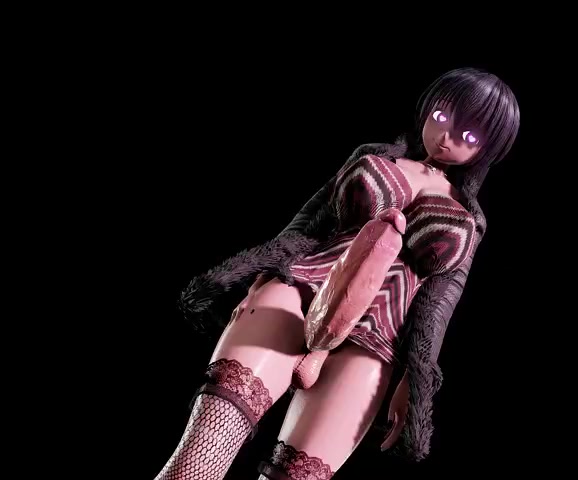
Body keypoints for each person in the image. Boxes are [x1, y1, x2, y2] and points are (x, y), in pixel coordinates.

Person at [155, 67, 521, 480]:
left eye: (468, 136)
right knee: (203, 450)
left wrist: (416, 379)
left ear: (489, 150)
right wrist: (258, 279)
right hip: (299, 289)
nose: (446, 136)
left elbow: (439, 302)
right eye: (441, 116)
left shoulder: (471, 218)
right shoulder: (378, 155)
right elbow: (308, 222)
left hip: (377, 338)